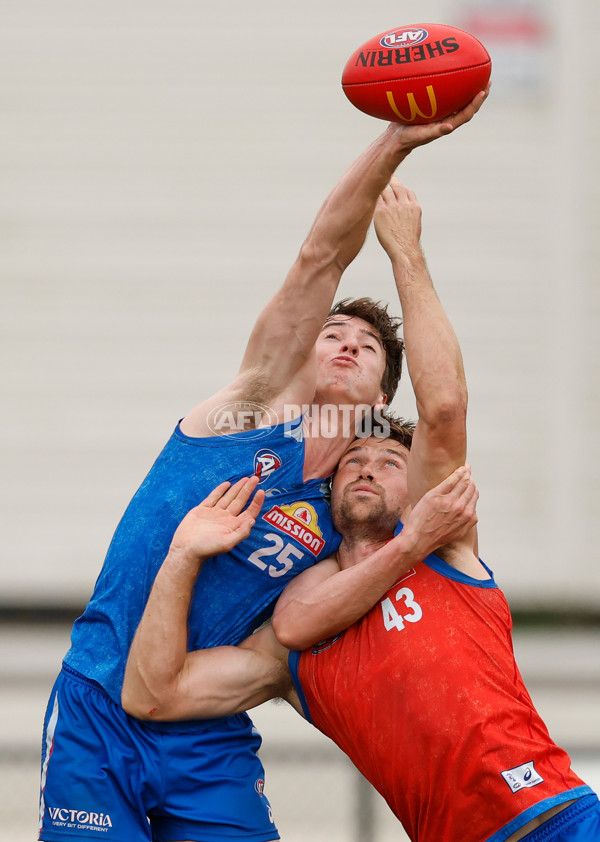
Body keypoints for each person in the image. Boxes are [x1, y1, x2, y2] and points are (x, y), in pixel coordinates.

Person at [38, 91, 489, 842]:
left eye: (367, 346)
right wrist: (394, 145)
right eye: (332, 332)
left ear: (381, 397)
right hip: (99, 701)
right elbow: (323, 254)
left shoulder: (355, 505)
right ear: (300, 355)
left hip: (205, 722)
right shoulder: (247, 412)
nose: (344, 343)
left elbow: (443, 427)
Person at [122, 184, 600, 842]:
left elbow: (445, 410)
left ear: (415, 491)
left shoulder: (440, 547)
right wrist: (181, 557)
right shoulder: (296, 647)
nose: (370, 467)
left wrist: (405, 252)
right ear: (328, 490)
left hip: (559, 819)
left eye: (390, 462)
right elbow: (156, 695)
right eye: (354, 461)